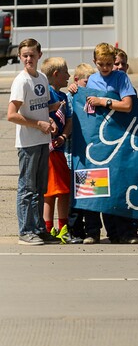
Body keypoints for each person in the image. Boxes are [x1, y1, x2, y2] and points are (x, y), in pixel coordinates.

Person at [83, 42, 138, 244]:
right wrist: (77, 90)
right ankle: (92, 231)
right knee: (93, 184)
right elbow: (85, 105)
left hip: (118, 138)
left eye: (109, 63)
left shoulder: (121, 77)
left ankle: (123, 232)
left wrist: (104, 101)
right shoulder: (91, 79)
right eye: (101, 64)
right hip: (97, 140)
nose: (106, 68)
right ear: (95, 62)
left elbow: (127, 105)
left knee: (117, 186)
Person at [6, 38, 61, 245]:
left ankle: (39, 229)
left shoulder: (42, 79)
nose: (29, 59)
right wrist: (39, 124)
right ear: (20, 57)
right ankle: (25, 231)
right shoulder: (22, 81)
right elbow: (11, 115)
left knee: (40, 188)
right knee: (27, 189)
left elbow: (41, 107)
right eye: (25, 55)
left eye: (32, 55)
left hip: (42, 139)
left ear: (40, 55)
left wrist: (50, 119)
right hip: (28, 143)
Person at [40, 56, 78, 244]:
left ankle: (62, 228)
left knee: (63, 190)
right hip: (47, 151)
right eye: (65, 73)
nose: (68, 76)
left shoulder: (63, 96)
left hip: (60, 150)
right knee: (51, 192)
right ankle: (50, 228)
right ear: (56, 74)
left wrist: (63, 136)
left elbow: (69, 120)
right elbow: (38, 113)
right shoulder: (45, 94)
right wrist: (49, 120)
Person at [63, 63, 97, 244]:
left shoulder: (95, 98)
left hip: (92, 157)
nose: (90, 86)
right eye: (86, 82)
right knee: (76, 197)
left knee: (91, 192)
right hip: (74, 155)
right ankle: (75, 230)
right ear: (76, 80)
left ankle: (92, 231)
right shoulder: (71, 98)